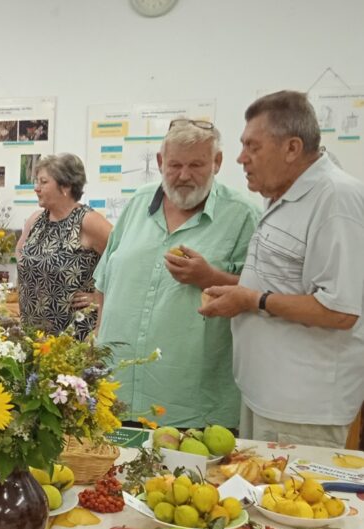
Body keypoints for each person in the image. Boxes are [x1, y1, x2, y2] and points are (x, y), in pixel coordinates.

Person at [201, 91, 364, 447]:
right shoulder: (283, 195)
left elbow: (339, 311)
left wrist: (252, 301)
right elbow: (279, 281)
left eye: (253, 147)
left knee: (285, 504)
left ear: (292, 148)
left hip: (302, 410)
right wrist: (234, 291)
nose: (241, 159)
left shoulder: (336, 199)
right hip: (266, 396)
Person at [94, 119, 260, 428]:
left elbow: (262, 295)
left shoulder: (243, 216)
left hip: (193, 408)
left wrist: (209, 276)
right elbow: (105, 280)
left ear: (217, 162)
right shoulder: (138, 204)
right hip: (116, 399)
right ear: (160, 162)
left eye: (196, 165)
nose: (184, 176)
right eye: (175, 165)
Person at [16, 153, 112, 338]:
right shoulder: (35, 220)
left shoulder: (87, 221)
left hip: (73, 339)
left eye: (43, 182)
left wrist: (99, 298)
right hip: (33, 335)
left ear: (65, 186)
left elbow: (124, 261)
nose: (36, 188)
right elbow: (20, 252)